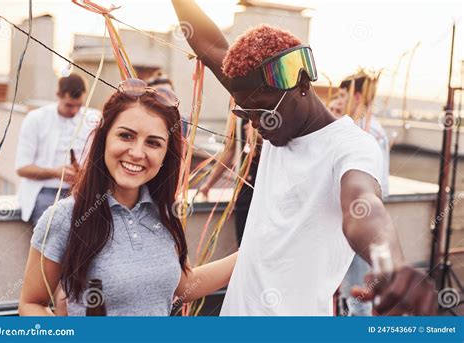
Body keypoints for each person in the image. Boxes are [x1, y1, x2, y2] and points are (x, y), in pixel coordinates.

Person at [171, 0, 437, 316]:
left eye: (263, 111)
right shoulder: (268, 106)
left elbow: (362, 209)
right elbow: (209, 45)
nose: (256, 124)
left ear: (300, 83)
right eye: (247, 113)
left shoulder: (351, 146)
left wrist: (388, 265)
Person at [19, 78, 237, 316]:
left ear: (166, 155)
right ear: (104, 139)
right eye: (126, 136)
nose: (136, 153)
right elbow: (31, 304)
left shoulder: (164, 212)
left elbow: (184, 284)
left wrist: (251, 249)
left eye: (153, 143)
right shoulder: (63, 218)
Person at [335, 71, 390, 316]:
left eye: (342, 94)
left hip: (361, 221)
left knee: (356, 296)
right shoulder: (355, 127)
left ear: (356, 96)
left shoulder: (367, 132)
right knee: (348, 293)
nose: (338, 99)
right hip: (351, 220)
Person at [15, 73, 96, 226]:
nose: (74, 111)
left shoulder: (92, 118)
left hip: (82, 192)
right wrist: (56, 173)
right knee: (46, 243)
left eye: (79, 105)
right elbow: (22, 168)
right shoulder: (35, 119)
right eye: (69, 105)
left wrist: (84, 172)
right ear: (58, 96)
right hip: (45, 191)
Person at [199, 118, 261, 247]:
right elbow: (230, 149)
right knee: (243, 242)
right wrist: (209, 183)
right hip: (244, 188)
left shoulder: (275, 103)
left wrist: (260, 137)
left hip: (267, 187)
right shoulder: (237, 113)